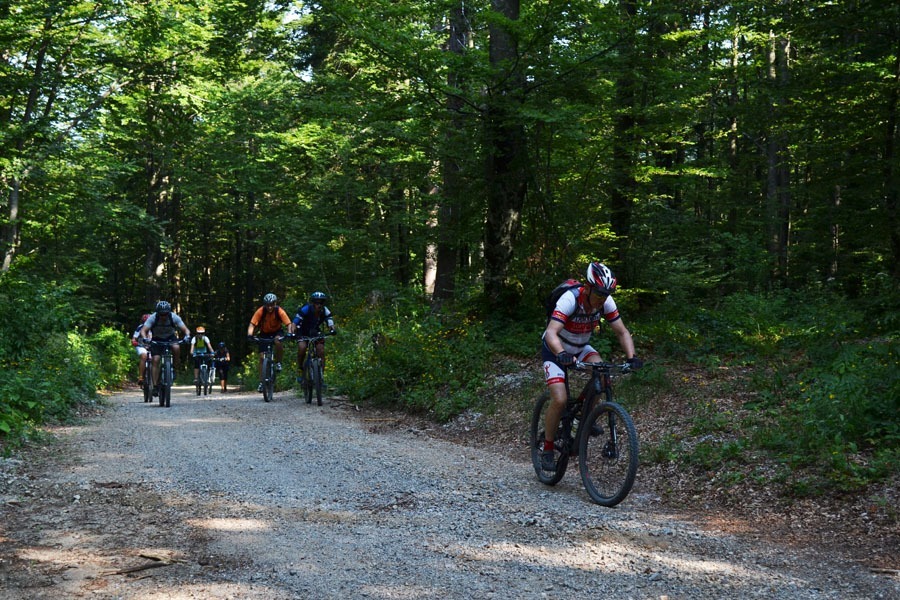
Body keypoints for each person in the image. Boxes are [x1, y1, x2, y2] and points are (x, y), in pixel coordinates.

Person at [540, 262, 643, 472]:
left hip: (581, 347)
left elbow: (622, 331)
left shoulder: (606, 302)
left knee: (603, 375)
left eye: (606, 294)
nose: (602, 299)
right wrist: (561, 353)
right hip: (555, 348)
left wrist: (632, 357)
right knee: (559, 399)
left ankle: (582, 418)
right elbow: (551, 332)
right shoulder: (570, 299)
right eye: (599, 293)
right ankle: (548, 448)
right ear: (587, 288)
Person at [140, 301, 191, 396]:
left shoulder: (174, 317)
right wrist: (145, 338)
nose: (163, 316)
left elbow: (185, 329)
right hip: (157, 339)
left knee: (176, 347)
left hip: (170, 338)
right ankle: (155, 386)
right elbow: (143, 330)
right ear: (158, 313)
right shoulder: (153, 318)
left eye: (166, 314)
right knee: (155, 359)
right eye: (161, 314)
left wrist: (187, 336)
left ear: (169, 312)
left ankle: (174, 368)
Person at [247, 293, 295, 392]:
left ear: (275, 304)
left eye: (272, 304)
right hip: (264, 333)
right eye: (267, 305)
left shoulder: (279, 311)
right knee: (261, 357)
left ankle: (278, 362)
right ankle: (261, 382)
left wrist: (290, 333)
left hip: (277, 332)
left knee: (278, 341)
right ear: (265, 304)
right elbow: (252, 324)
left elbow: (288, 323)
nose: (269, 307)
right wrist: (250, 335)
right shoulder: (260, 311)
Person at [292, 291, 336, 384]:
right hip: (303, 331)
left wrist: (332, 329)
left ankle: (321, 377)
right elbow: (295, 322)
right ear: (313, 303)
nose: (319, 305)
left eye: (321, 303)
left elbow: (330, 321)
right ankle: (300, 369)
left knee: (321, 351)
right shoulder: (306, 309)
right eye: (316, 303)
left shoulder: (325, 310)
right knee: (302, 348)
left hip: (315, 332)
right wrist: (292, 331)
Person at [131, 314, 151, 386]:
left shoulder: (156, 328)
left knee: (156, 358)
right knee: (144, 356)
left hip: (153, 347)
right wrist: (134, 341)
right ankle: (141, 377)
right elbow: (134, 338)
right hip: (141, 346)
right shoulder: (140, 327)